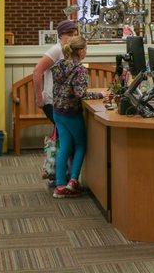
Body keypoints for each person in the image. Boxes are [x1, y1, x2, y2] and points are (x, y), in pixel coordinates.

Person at [51, 36, 104, 198]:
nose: (85, 52)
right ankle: (73, 181)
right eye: (85, 49)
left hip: (57, 111)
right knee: (81, 145)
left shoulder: (59, 65)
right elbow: (80, 94)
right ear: (81, 51)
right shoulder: (79, 69)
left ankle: (60, 185)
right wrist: (100, 94)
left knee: (65, 146)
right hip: (71, 113)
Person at [33, 20, 79, 123]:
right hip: (52, 101)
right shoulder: (56, 49)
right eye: (69, 34)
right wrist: (39, 98)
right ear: (60, 35)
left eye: (75, 35)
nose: (73, 38)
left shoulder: (69, 50)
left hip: (63, 100)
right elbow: (37, 71)